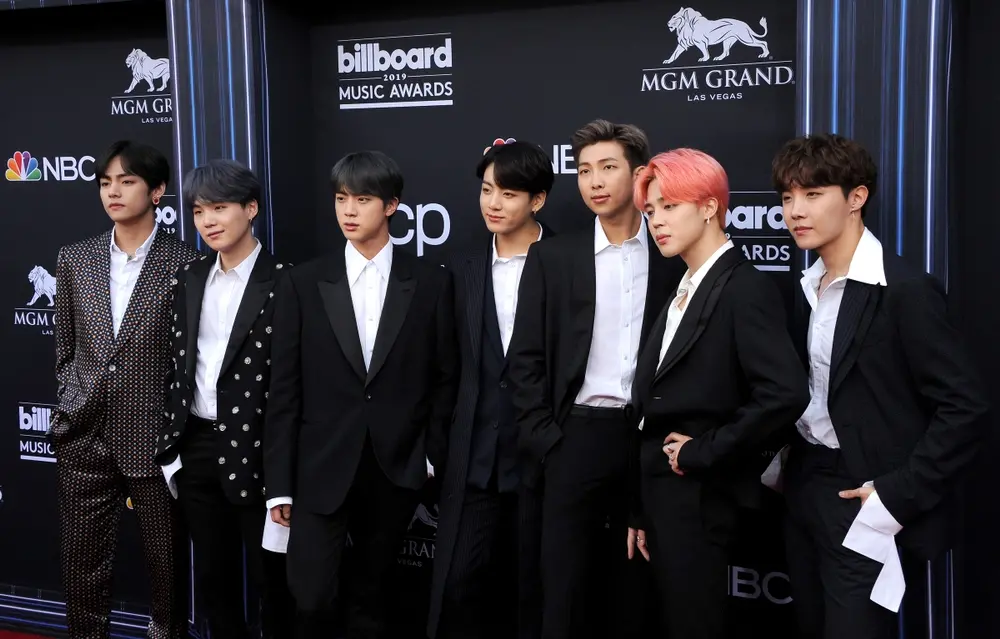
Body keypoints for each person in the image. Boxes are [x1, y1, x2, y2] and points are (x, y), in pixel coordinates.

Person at [773, 133, 989, 639]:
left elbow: (964, 406)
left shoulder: (905, 289)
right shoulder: (806, 288)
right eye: (787, 197)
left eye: (812, 194)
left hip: (865, 496)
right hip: (805, 487)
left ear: (856, 197)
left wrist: (894, 494)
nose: (795, 211)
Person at [263, 150, 459, 639]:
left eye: (363, 199)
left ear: (392, 206)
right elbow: (283, 388)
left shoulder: (432, 282)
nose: (348, 211)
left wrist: (431, 457)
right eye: (341, 199)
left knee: (372, 596)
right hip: (318, 466)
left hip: (395, 466)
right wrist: (280, 483)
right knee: (310, 596)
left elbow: (445, 377)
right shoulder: (302, 282)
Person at [507, 119, 685, 639]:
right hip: (574, 437)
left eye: (608, 167)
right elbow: (525, 359)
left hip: (649, 441)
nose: (594, 181)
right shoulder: (553, 257)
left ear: (640, 175)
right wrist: (548, 440)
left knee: (636, 588)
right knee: (563, 589)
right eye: (584, 170)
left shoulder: (671, 254)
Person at [626, 148, 809, 639]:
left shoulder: (743, 287)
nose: (657, 222)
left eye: (669, 206)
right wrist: (642, 508)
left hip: (702, 496)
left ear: (710, 207)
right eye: (650, 211)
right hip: (662, 494)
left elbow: (785, 393)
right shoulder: (685, 283)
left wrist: (705, 452)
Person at [51, 140, 198, 638]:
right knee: (82, 563)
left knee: (167, 569)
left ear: (157, 191)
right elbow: (65, 349)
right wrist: (70, 403)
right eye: (105, 182)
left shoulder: (187, 264)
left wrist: (172, 429)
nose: (113, 191)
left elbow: (190, 358)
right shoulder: (75, 259)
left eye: (127, 181)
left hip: (156, 440)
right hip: (83, 434)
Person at [154, 159, 293, 639]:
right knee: (213, 581)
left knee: (272, 584)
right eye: (197, 211)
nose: (208, 221)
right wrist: (172, 451)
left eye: (219, 208)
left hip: (261, 453)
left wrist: (284, 478)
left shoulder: (286, 282)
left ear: (251, 209)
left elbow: (295, 386)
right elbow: (176, 366)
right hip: (196, 449)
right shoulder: (189, 278)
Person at [429, 139, 555, 639]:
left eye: (508, 193)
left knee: (533, 594)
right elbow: (445, 367)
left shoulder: (568, 263)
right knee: (458, 587)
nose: (493, 204)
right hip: (473, 459)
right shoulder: (460, 269)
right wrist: (441, 445)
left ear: (537, 200)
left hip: (540, 459)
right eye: (486, 190)